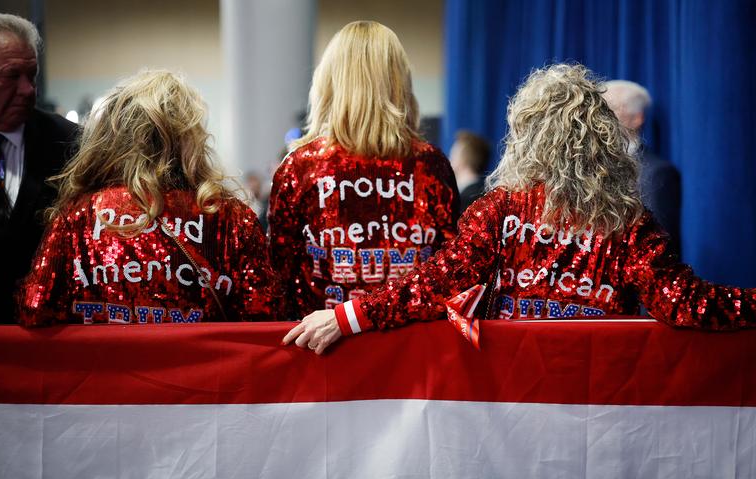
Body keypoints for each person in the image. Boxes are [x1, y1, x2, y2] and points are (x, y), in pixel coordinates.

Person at [285, 64, 756, 354]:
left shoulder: (500, 210)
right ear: (602, 139)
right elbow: (687, 302)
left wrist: (347, 317)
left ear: (526, 135)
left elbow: (434, 282)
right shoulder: (629, 224)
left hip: (510, 401)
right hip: (594, 401)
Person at [17, 70, 281, 325]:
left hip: (105, 369)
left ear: (114, 136)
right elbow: (263, 312)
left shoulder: (78, 215)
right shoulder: (228, 217)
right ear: (191, 138)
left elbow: (35, 307)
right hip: (201, 370)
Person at [268, 20, 459, 319]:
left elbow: (280, 279)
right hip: (410, 343)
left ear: (329, 82)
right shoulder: (431, 166)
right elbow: (445, 274)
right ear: (400, 83)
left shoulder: (301, 167)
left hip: (323, 346)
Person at [0, 13, 78, 323]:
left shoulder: (70, 143)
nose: (28, 90)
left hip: (44, 335)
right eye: (12, 75)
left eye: (32, 75)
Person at [602, 80, 682, 256]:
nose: (602, 116)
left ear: (637, 118)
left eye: (612, 107)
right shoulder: (587, 166)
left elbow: (660, 248)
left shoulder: (657, 174)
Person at [449, 130, 491, 214]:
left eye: (452, 156)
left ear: (462, 160)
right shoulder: (487, 193)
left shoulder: (464, 201)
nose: (449, 160)